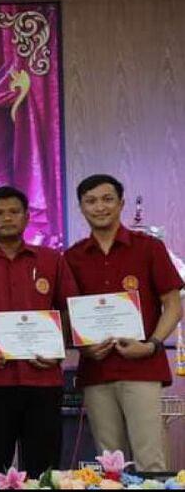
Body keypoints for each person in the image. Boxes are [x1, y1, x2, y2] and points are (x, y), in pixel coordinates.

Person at [0, 186, 78, 476]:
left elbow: (69, 308)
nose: (7, 218)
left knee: (44, 470)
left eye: (14, 212)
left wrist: (57, 348)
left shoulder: (52, 260)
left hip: (42, 378)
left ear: (27, 217)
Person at [65, 174, 183, 471]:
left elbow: (173, 305)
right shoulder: (72, 257)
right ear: (81, 207)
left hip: (142, 367)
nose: (100, 207)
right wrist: (84, 347)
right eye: (91, 201)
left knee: (150, 460)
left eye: (107, 199)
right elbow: (67, 314)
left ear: (121, 203)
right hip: (96, 370)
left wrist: (151, 345)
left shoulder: (149, 248)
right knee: (109, 464)